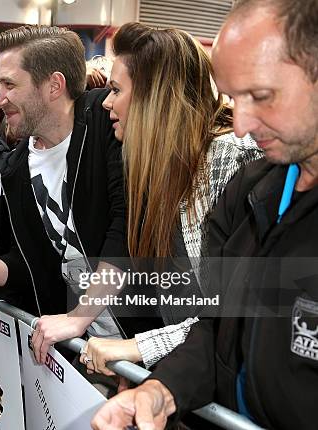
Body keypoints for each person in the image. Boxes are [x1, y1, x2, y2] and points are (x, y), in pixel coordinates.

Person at [91, 1, 318, 429]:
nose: (241, 122)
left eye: (262, 96)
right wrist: (163, 389)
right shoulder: (255, 187)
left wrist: (143, 349)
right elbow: (219, 326)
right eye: (235, 98)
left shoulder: (232, 161)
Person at [0, 25, 143, 365]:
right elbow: (28, 266)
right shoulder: (16, 167)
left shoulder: (107, 122)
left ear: (54, 85)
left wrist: (79, 315)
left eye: (9, 85)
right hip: (78, 355)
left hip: (140, 340)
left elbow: (127, 227)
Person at [80, 23, 260, 375]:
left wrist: (139, 348)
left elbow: (233, 315)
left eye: (116, 90)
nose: (106, 102)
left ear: (154, 96)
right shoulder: (155, 165)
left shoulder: (228, 156)